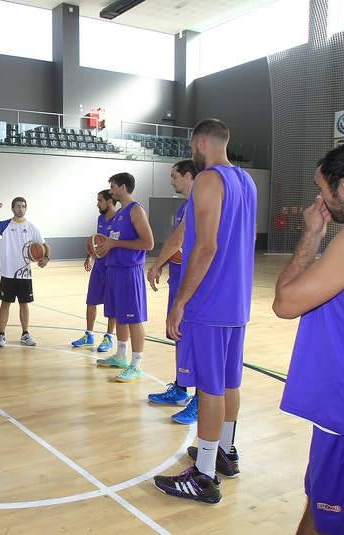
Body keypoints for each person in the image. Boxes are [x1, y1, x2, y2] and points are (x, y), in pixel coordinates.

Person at [154, 118, 256, 504]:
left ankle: (204, 476)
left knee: (210, 388)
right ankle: (225, 453)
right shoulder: (246, 181)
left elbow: (206, 247)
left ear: (200, 142)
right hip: (236, 301)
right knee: (230, 383)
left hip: (209, 302)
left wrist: (180, 301)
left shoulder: (209, 180)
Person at [273, 141, 344, 534]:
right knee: (320, 506)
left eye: (322, 189)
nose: (320, 198)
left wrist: (312, 234)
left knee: (340, 521)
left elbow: (285, 302)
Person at [146, 160, 199, 424]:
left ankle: (201, 400)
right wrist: (166, 262)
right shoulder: (184, 207)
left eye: (174, 176)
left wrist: (156, 264)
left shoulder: (200, 205)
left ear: (188, 176)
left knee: (196, 340)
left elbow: (178, 240)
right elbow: (180, 247)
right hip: (177, 282)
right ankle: (180, 388)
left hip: (194, 286)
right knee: (180, 336)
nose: (171, 181)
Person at [95, 173, 154, 382]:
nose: (110, 190)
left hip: (130, 271)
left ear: (123, 187)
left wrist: (115, 244)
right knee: (120, 316)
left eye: (112, 186)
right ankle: (121, 356)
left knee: (133, 318)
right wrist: (104, 247)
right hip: (114, 269)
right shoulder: (119, 213)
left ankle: (136, 364)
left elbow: (148, 243)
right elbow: (114, 241)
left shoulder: (136, 210)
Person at [0, 197, 50, 347]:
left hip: (24, 273)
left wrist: (46, 257)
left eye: (23, 206)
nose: (21, 209)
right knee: (5, 303)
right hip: (8, 273)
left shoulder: (32, 226)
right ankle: (1, 335)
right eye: (18, 206)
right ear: (13, 209)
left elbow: (45, 245)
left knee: (24, 304)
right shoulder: (5, 225)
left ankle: (25, 334)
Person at [70, 190, 118, 353]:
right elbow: (95, 240)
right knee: (91, 300)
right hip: (99, 265)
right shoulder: (100, 218)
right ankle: (89, 334)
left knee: (112, 304)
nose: (97, 203)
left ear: (110, 201)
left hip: (112, 266)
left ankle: (109, 337)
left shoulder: (119, 219)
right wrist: (89, 256)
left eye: (100, 200)